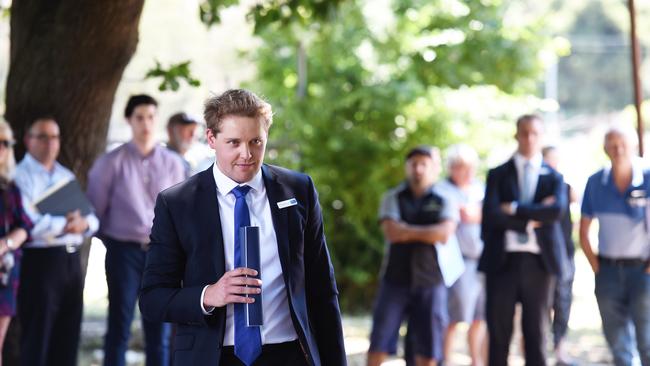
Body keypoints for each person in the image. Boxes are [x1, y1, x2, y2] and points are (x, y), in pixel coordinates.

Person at [139, 89, 346, 366]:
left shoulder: (298, 190)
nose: (246, 154)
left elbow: (322, 288)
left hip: (289, 354)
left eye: (256, 141)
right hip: (212, 357)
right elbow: (153, 298)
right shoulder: (176, 203)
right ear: (211, 139)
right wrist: (209, 295)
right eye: (234, 142)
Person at [87, 95, 186, 366]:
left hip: (162, 253)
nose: (146, 123)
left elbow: (182, 211)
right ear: (128, 120)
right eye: (140, 117)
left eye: (151, 117)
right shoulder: (111, 162)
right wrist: (114, 243)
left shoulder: (173, 163)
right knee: (120, 323)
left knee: (159, 329)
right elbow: (95, 209)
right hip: (123, 251)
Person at [479, 114, 566, 366]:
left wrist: (515, 209)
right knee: (498, 333)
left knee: (536, 333)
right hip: (502, 262)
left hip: (540, 263)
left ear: (541, 137)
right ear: (516, 134)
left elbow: (555, 212)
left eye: (534, 133)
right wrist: (532, 217)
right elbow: (492, 215)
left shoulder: (554, 177)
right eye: (524, 132)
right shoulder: (497, 174)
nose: (529, 138)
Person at [14, 117, 99, 366]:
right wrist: (64, 224)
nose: (50, 143)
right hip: (40, 262)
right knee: (38, 336)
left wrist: (82, 224)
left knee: (68, 334)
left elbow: (92, 219)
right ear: (29, 140)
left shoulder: (65, 175)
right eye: (42, 136)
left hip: (71, 260)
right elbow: (28, 224)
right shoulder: (21, 177)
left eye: (54, 137)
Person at [367, 145, 457, 366]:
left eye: (423, 164)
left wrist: (406, 230)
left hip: (431, 280)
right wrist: (427, 232)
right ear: (407, 167)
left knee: (430, 347)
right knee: (379, 342)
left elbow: (444, 234)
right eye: (413, 164)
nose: (418, 169)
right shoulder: (392, 196)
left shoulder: (445, 198)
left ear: (434, 168)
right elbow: (392, 232)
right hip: (394, 279)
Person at [580, 127, 650, 366]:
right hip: (608, 271)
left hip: (643, 271)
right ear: (605, 148)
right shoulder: (595, 182)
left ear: (632, 146)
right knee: (617, 339)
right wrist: (596, 265)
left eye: (622, 143)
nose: (618, 149)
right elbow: (584, 229)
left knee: (647, 338)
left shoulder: (648, 177)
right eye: (612, 144)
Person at [437, 144, 487, 366]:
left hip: (483, 261)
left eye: (470, 168)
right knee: (453, 316)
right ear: (451, 168)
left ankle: (475, 360)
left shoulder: (480, 187)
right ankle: (445, 360)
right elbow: (457, 215)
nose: (467, 172)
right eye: (461, 167)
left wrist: (477, 214)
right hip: (457, 262)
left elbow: (487, 214)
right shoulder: (442, 189)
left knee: (480, 316)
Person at [542, 145, 577, 366]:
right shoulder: (533, 188)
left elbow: (575, 197)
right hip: (542, 255)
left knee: (563, 301)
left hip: (565, 253)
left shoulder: (565, 187)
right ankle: (542, 347)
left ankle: (560, 347)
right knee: (542, 302)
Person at [0, 121, 31, 365]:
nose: (2, 148)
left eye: (6, 143)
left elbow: (25, 227)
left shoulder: (10, 188)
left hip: (5, 273)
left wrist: (5, 244)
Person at [166, 112, 213, 176]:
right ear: (171, 131)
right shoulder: (165, 160)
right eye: (187, 130)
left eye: (195, 130)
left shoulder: (187, 160)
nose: (193, 135)